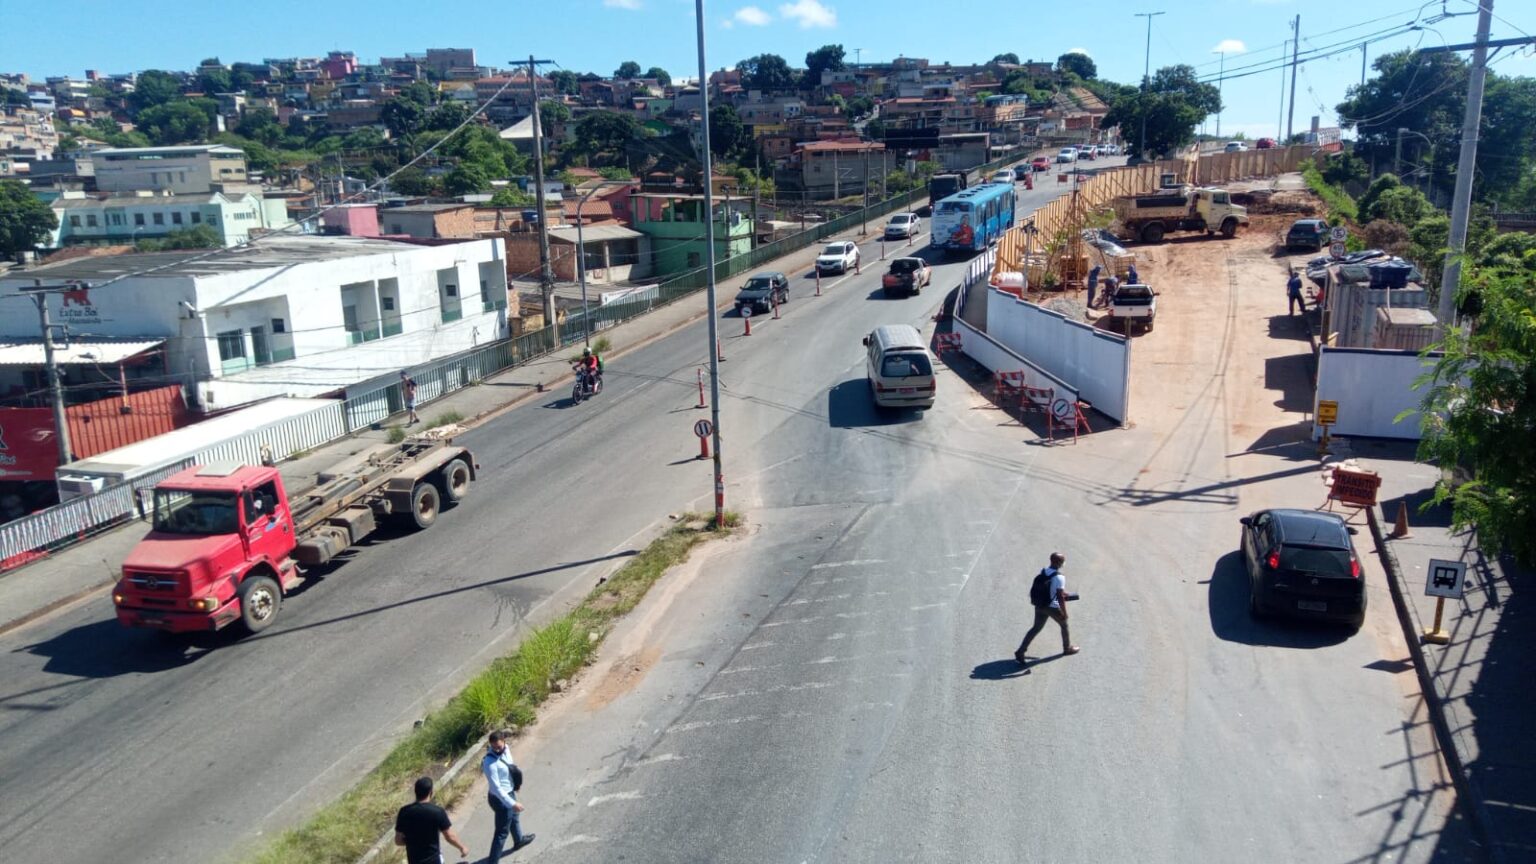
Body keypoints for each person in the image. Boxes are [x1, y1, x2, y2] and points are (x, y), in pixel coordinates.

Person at [1015, 552, 1081, 664]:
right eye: (1063, 561)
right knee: (1064, 625)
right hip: (1052, 607)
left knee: (1035, 628)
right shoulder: (1060, 577)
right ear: (1060, 563)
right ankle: (1067, 648)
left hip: (1040, 605)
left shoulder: (1044, 571)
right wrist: (1064, 612)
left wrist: (1064, 593)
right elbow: (1059, 597)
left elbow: (1054, 589)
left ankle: (1020, 651)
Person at [484, 730, 534, 862]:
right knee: (501, 832)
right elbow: (496, 789)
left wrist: (515, 784)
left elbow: (510, 765)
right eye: (493, 747)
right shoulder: (489, 763)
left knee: (514, 817)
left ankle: (518, 840)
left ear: (504, 741)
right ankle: (493, 861)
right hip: (500, 799)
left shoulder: (506, 749)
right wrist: (512, 803)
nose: (497, 750)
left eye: (499, 746)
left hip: (509, 792)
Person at [395, 776, 469, 864]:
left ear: (415, 792)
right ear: (430, 792)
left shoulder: (404, 812)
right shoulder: (437, 812)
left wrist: (413, 842)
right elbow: (449, 836)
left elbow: (398, 841)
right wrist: (462, 847)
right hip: (434, 860)